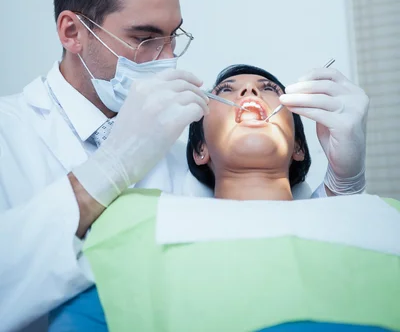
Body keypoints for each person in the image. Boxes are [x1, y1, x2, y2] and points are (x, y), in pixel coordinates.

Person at [0, 0, 368, 332]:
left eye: (174, 37)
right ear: (73, 32)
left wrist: (343, 181)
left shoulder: (183, 152)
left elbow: (284, 243)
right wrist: (109, 168)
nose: (168, 58)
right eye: (146, 38)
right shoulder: (10, 134)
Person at [50, 65, 399, 332]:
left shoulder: (385, 220)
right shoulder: (133, 218)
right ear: (200, 149)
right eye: (226, 90)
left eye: (269, 89)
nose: (249, 90)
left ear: (298, 148)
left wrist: (347, 188)